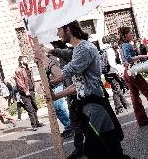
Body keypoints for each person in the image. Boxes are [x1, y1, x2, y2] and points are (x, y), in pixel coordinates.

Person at [35, 21, 131, 159]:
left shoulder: (84, 49)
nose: (57, 33)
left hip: (96, 107)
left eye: (58, 29)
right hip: (89, 108)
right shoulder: (78, 49)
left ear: (67, 29)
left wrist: (44, 58)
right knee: (106, 150)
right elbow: (77, 86)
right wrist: (56, 95)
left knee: (101, 150)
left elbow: (62, 74)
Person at [118, 26, 148, 127]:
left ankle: (142, 119)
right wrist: (142, 56)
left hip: (127, 72)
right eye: (130, 33)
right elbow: (129, 59)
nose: (132, 34)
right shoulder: (127, 45)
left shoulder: (122, 45)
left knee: (135, 97)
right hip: (133, 72)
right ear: (126, 35)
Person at [44, 41, 85, 158]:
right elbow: (62, 78)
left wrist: (45, 56)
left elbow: (62, 75)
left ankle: (91, 147)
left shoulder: (69, 53)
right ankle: (80, 148)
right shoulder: (63, 57)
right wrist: (51, 84)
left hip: (81, 94)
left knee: (84, 123)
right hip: (72, 93)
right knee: (75, 122)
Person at [46, 55, 73, 139]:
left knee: (59, 108)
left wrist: (51, 82)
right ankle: (69, 127)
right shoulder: (46, 60)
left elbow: (58, 74)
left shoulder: (50, 59)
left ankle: (70, 128)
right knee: (58, 109)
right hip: (54, 86)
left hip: (57, 85)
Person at [101, 38, 130, 115]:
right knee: (116, 89)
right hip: (112, 72)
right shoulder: (109, 50)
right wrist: (119, 69)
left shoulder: (102, 50)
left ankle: (125, 104)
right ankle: (119, 108)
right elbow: (112, 64)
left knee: (117, 88)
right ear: (110, 42)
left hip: (107, 72)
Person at [15, 56, 44, 131]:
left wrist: (33, 88)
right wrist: (25, 91)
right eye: (25, 59)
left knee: (34, 107)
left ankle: (37, 122)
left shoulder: (28, 68)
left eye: (27, 59)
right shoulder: (18, 70)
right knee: (30, 108)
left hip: (31, 90)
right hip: (25, 92)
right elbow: (20, 83)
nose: (27, 60)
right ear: (21, 61)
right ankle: (33, 124)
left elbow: (31, 79)